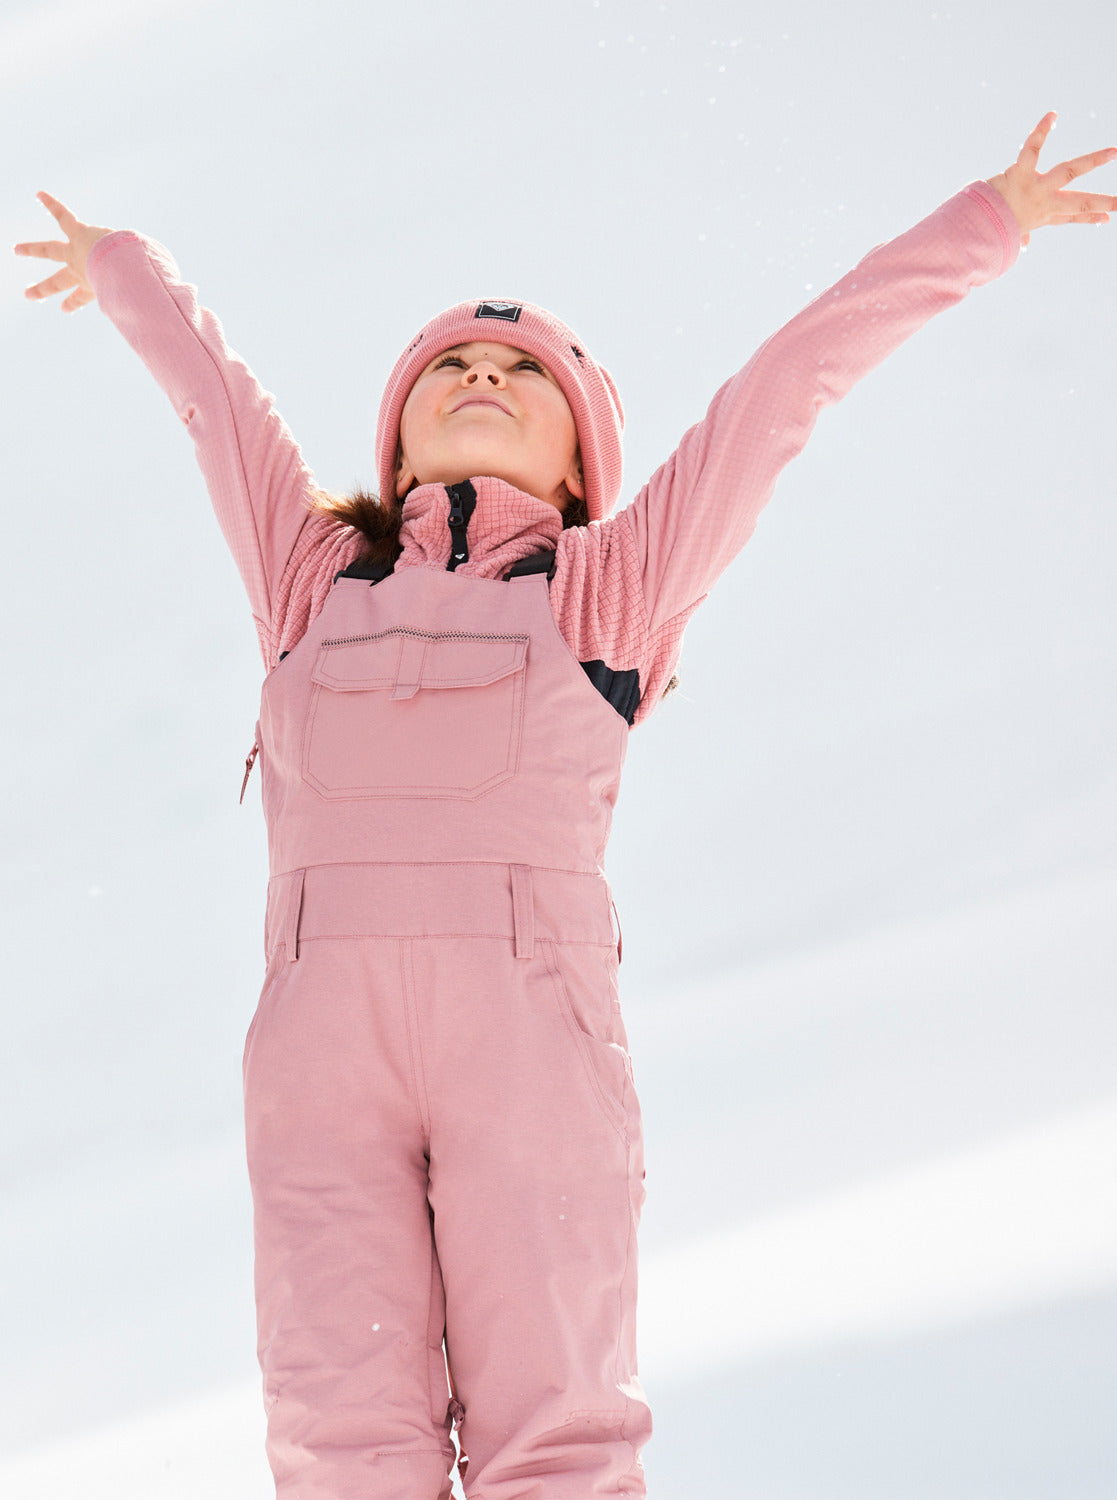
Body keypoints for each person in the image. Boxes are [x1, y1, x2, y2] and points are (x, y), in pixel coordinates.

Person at [15, 111, 1115, 1500]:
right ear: (397, 444)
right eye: (450, 367)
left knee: (555, 1432)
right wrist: (120, 266)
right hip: (319, 1064)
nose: (481, 374)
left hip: (527, 1048)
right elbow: (217, 403)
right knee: (338, 1437)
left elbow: (781, 393)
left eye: (521, 371)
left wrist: (988, 221)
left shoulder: (603, 591)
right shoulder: (312, 581)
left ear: (582, 460)